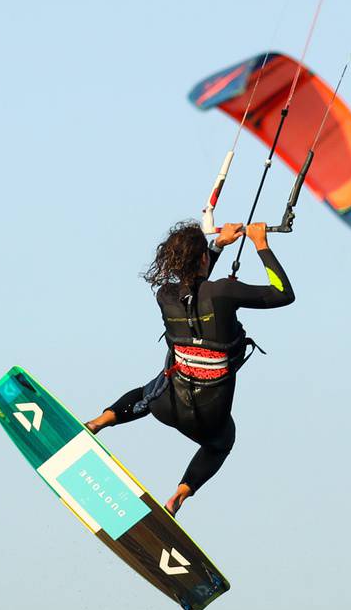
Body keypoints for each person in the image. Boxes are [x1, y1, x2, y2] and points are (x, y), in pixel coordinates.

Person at [83, 220, 295, 514]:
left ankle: (98, 422)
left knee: (149, 388)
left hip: (165, 405)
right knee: (222, 442)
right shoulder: (225, 293)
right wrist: (261, 244)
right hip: (209, 415)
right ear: (204, 260)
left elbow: (194, 289)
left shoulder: (165, 296)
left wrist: (217, 245)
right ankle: (180, 494)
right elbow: (283, 293)